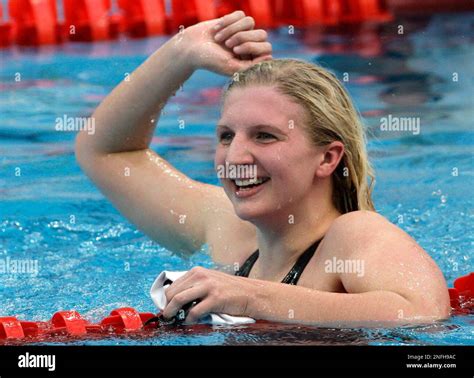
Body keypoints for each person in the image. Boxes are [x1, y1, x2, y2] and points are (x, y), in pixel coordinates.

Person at [75, 11, 450, 326]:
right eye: (225, 136)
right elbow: (106, 152)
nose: (235, 156)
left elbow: (424, 311)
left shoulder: (352, 234)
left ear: (328, 158)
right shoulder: (229, 229)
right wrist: (181, 52)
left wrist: (249, 296)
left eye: (265, 136)